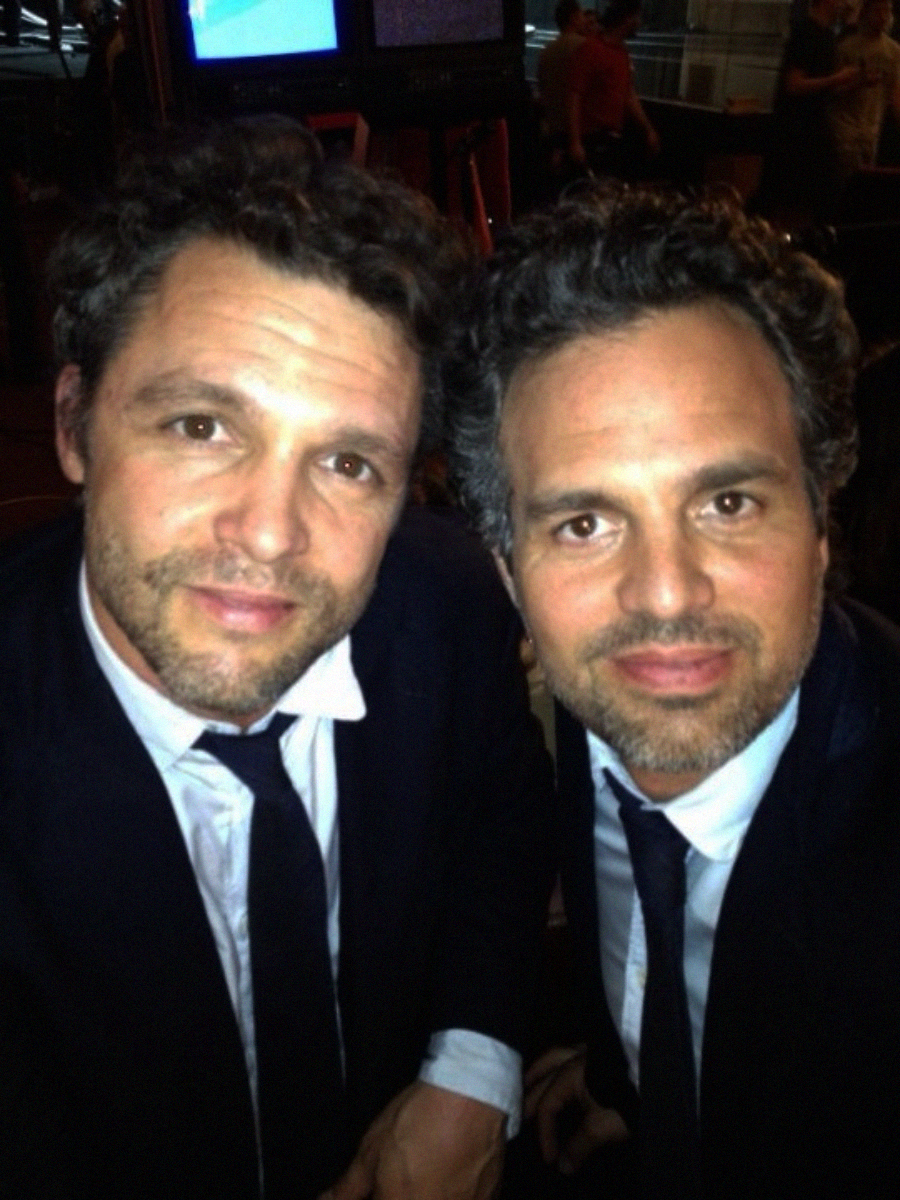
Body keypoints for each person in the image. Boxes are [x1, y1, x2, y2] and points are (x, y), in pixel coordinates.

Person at [0, 118, 554, 1200]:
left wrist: (474, 1069)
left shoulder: (446, 603)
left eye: (348, 461)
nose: (268, 532)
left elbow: (500, 820)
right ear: (74, 424)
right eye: (202, 426)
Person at [447, 185, 900, 1199]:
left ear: (823, 517)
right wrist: (637, 1075)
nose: (664, 596)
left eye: (727, 502)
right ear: (511, 568)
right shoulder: (585, 697)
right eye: (584, 525)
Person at [761, 0, 864, 225]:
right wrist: (838, 78)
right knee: (793, 200)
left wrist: (853, 83)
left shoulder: (827, 36)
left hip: (810, 127)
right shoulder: (805, 32)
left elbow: (822, 86)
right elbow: (794, 84)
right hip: (796, 131)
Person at [567, 0, 659, 179]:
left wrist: (647, 128)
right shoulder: (590, 50)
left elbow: (628, 94)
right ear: (627, 19)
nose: (639, 22)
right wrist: (575, 141)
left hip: (610, 138)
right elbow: (574, 96)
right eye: (637, 17)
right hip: (591, 139)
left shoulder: (621, 53)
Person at [832, 0, 900, 179]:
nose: (883, 17)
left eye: (887, 11)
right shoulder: (847, 47)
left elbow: (895, 94)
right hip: (846, 128)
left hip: (872, 129)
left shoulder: (893, 51)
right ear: (866, 13)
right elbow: (833, 90)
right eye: (878, 11)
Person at [537, 0, 589, 152]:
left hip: (554, 126)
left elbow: (542, 87)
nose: (584, 20)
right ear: (573, 18)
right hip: (580, 129)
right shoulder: (586, 47)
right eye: (581, 15)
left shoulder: (546, 51)